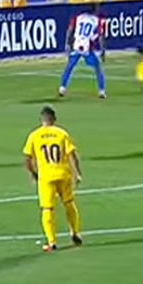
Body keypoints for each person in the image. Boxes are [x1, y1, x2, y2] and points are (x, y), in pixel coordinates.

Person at [22, 106, 83, 253]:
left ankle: (52, 242)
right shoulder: (61, 133)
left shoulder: (34, 135)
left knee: (47, 209)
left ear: (41, 120)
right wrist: (77, 173)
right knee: (69, 203)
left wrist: (33, 174)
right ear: (54, 119)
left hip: (46, 177)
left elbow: (27, 159)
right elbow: (71, 154)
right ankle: (75, 232)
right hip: (63, 174)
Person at [58, 5, 106, 98]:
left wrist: (67, 43)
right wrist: (103, 50)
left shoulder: (78, 17)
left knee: (69, 67)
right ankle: (101, 91)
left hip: (77, 44)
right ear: (95, 11)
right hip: (87, 47)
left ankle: (62, 88)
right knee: (97, 68)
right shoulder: (97, 20)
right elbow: (101, 36)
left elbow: (70, 30)